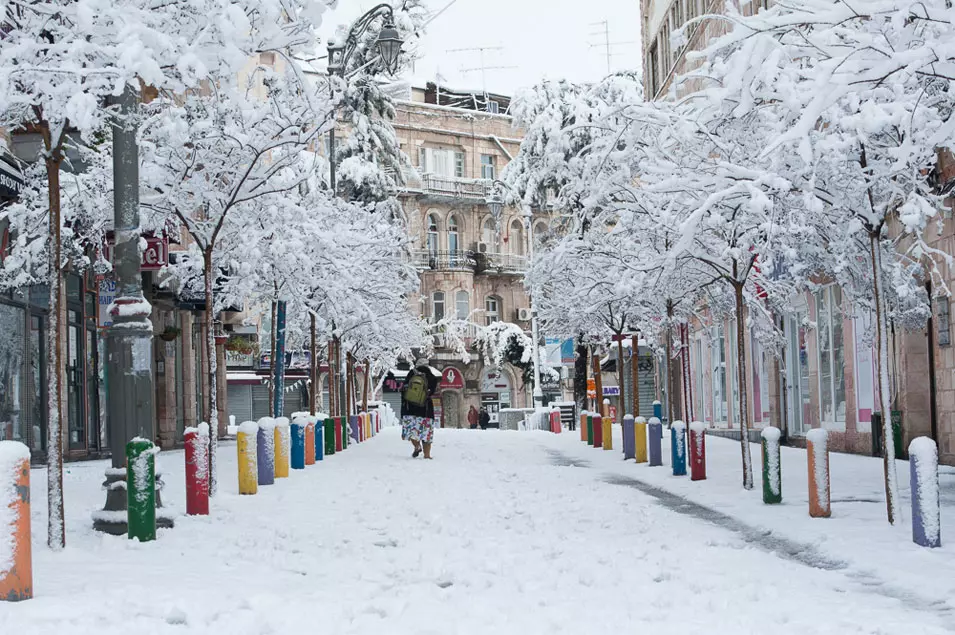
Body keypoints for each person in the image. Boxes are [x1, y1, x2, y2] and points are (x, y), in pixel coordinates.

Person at [400, 364, 440, 459]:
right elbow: (433, 391)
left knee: (412, 432)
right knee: (426, 434)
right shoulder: (431, 377)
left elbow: (403, 391)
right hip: (426, 410)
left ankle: (417, 446)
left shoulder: (411, 374)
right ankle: (427, 455)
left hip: (410, 410)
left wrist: (403, 411)